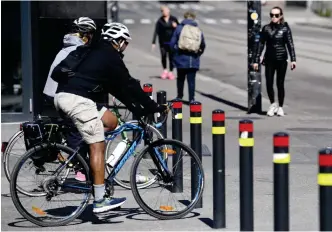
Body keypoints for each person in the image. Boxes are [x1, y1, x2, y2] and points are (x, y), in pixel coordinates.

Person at [52, 22, 168, 213]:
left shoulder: (92, 50)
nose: (126, 47)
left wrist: (138, 110)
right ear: (119, 41)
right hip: (78, 100)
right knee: (98, 146)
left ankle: (85, 157)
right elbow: (130, 85)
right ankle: (100, 200)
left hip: (64, 96)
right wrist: (153, 107)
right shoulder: (111, 56)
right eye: (126, 43)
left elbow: (120, 90)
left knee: (112, 122)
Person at [42, 17, 107, 182]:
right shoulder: (77, 50)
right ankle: (81, 167)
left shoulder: (68, 47)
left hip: (51, 94)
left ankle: (80, 161)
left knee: (82, 125)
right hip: (61, 96)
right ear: (86, 34)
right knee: (82, 128)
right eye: (91, 34)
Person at [253, 6, 296, 117]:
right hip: (269, 60)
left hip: (281, 59)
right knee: (268, 83)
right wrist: (256, 60)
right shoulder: (266, 28)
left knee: (280, 84)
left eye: (276, 15)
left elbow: (290, 44)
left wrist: (293, 59)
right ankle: (273, 104)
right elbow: (261, 45)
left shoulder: (285, 28)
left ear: (280, 16)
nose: (274, 17)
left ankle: (280, 107)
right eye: (272, 15)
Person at [169, 11, 206, 103]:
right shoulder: (197, 30)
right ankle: (191, 99)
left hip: (181, 58)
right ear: (193, 18)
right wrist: (198, 54)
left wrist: (175, 53)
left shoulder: (179, 28)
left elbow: (172, 44)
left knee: (180, 79)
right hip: (193, 59)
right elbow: (203, 45)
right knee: (191, 81)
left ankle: (179, 96)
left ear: (184, 18)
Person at [152, 5, 179, 80]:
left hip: (172, 42)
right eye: (163, 11)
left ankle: (170, 72)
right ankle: (165, 71)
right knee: (163, 56)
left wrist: (176, 26)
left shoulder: (173, 19)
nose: (164, 12)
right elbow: (156, 31)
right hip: (163, 42)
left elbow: (179, 29)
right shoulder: (160, 20)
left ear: (169, 11)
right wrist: (153, 42)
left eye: (166, 11)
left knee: (171, 57)